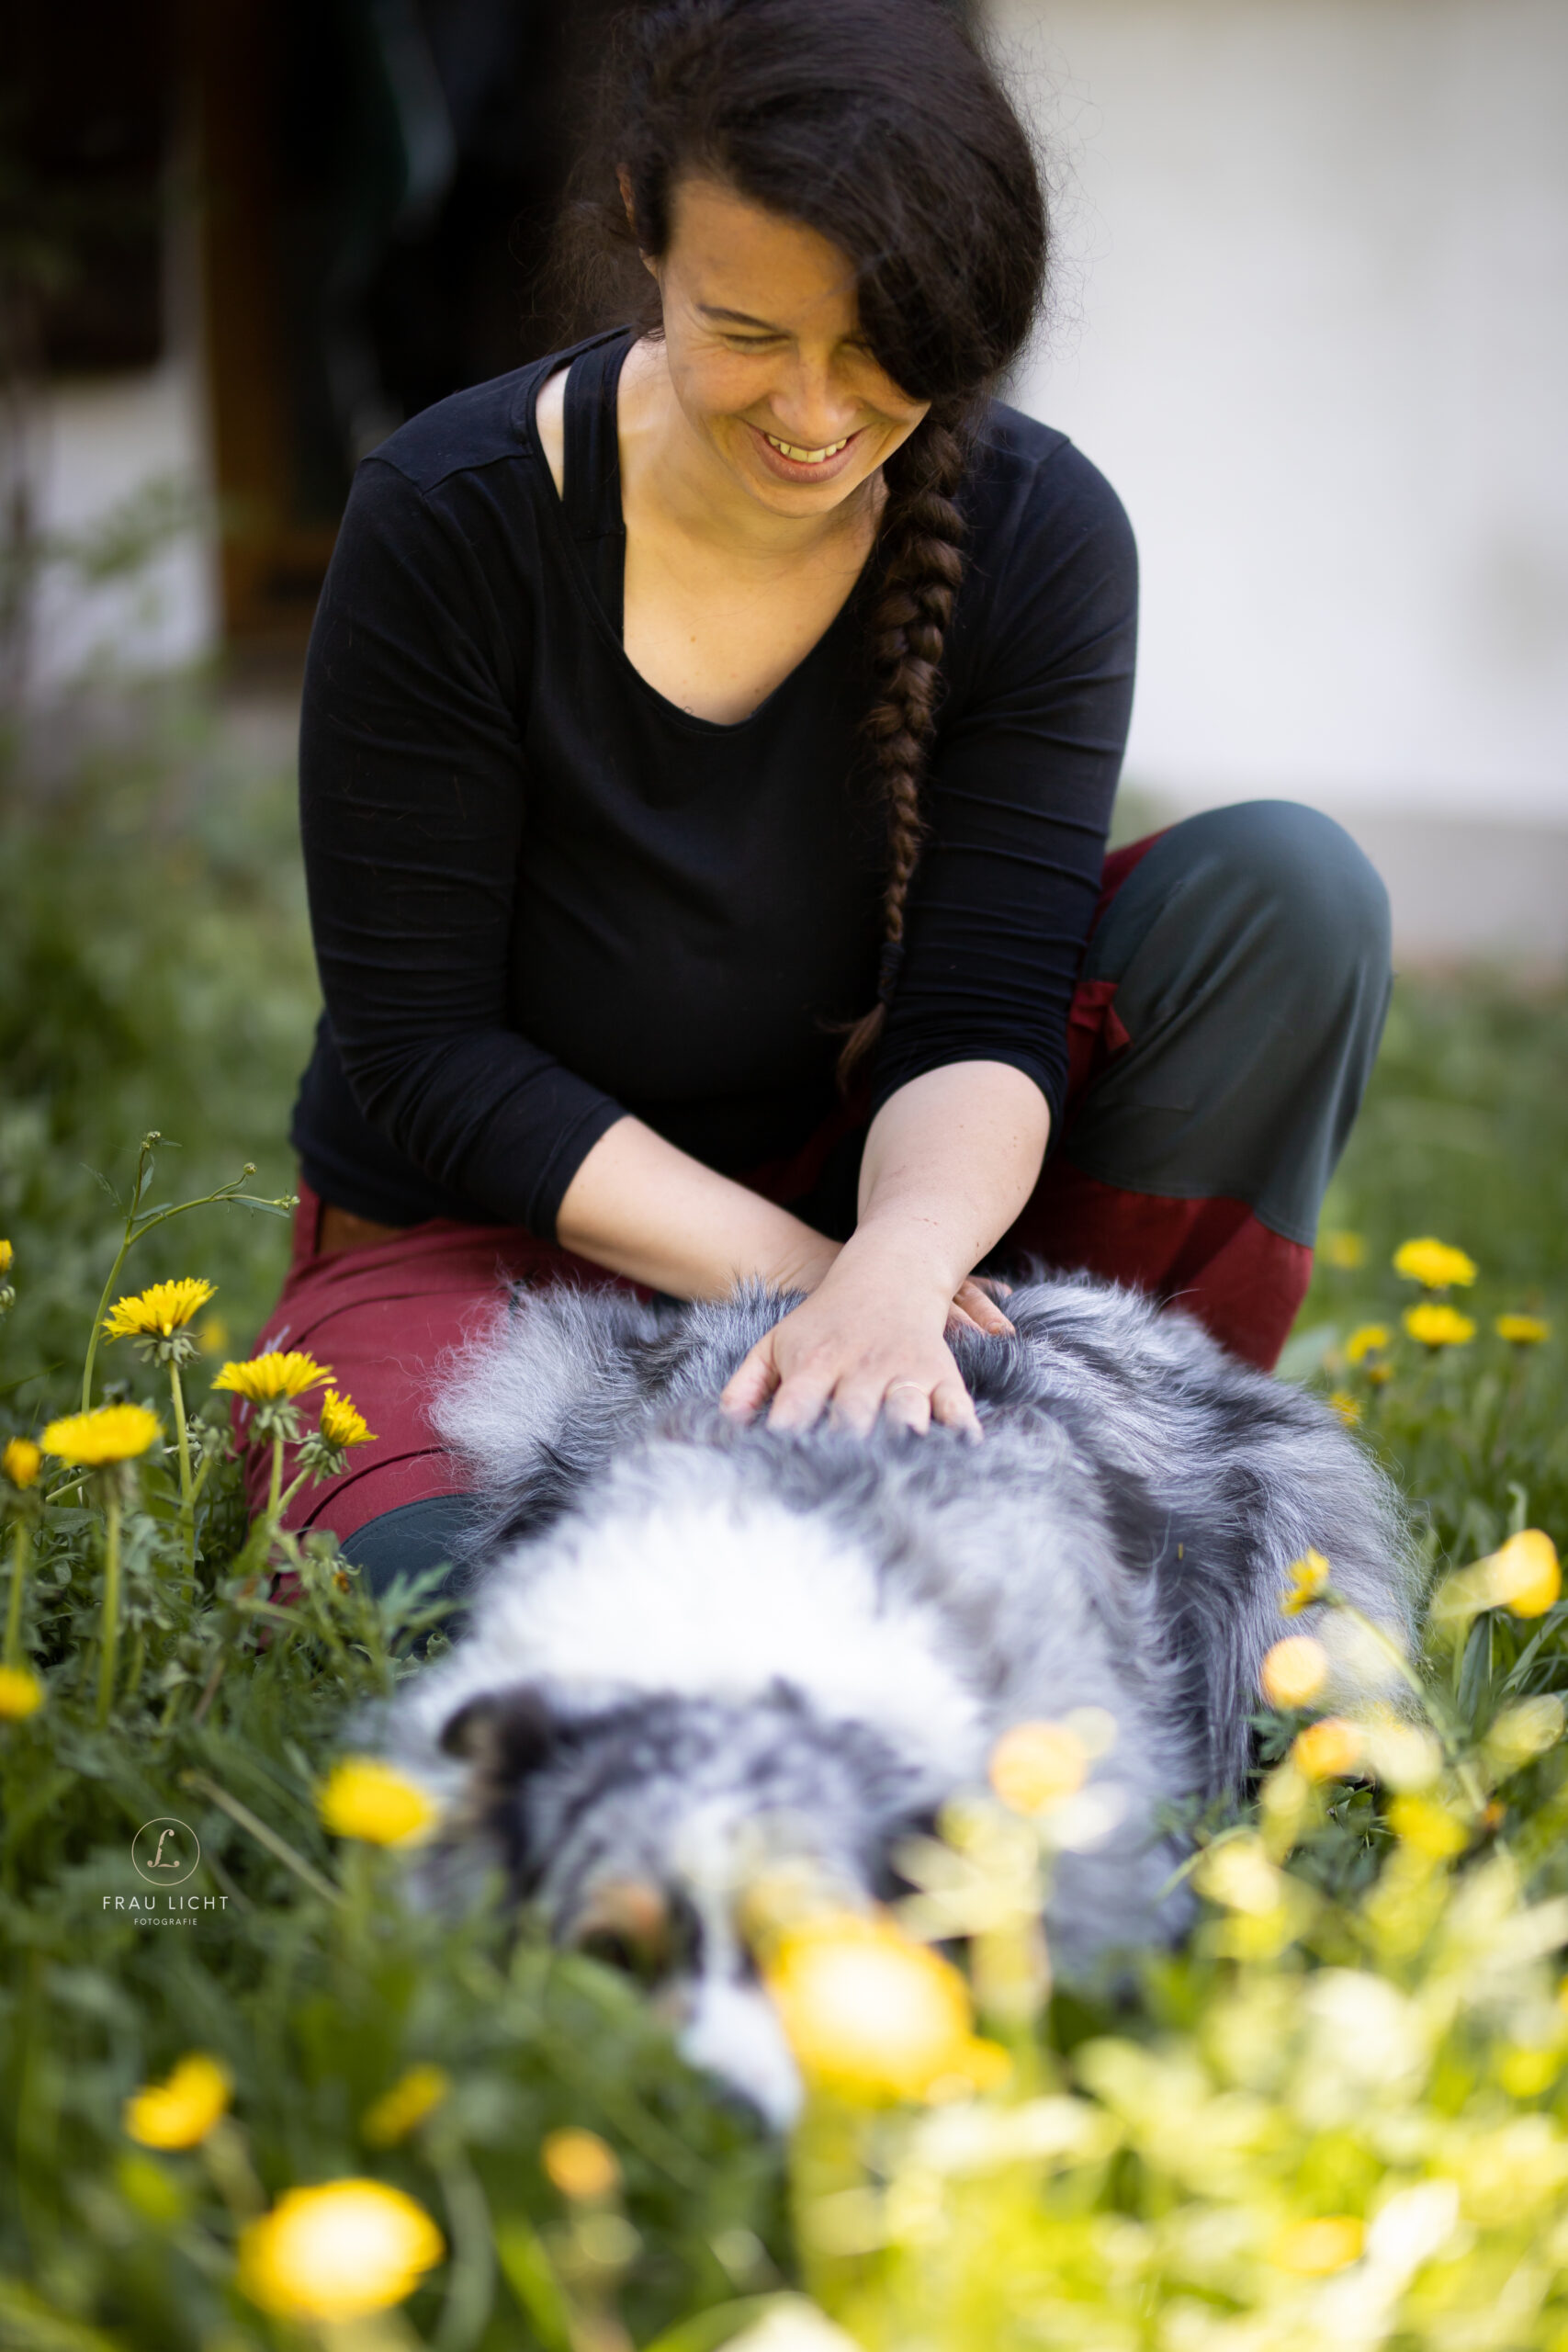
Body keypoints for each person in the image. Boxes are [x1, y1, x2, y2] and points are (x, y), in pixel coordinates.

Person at [242, 0, 1392, 1598]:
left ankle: (1110, 1461)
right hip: (487, 1241)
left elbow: (985, 998)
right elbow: (429, 1053)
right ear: (645, 227)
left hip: (894, 1204)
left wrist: (911, 1266)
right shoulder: (449, 519)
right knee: (456, 1611)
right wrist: (823, 1285)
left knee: (1289, 888)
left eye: (880, 348)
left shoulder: (1040, 535)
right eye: (751, 331)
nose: (813, 414)